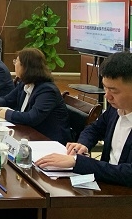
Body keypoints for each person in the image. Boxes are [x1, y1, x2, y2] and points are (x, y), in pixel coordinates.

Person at [36, 52, 132, 187]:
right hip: (105, 183)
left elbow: (129, 173)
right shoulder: (115, 109)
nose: (107, 96)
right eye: (105, 88)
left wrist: (78, 162)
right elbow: (95, 128)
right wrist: (83, 144)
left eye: (114, 91)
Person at [0, 48, 72, 144]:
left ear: (26, 67)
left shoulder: (47, 90)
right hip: (28, 133)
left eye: (16, 61)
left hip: (49, 141)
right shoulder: (24, 83)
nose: (14, 64)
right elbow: (8, 99)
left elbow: (31, 118)